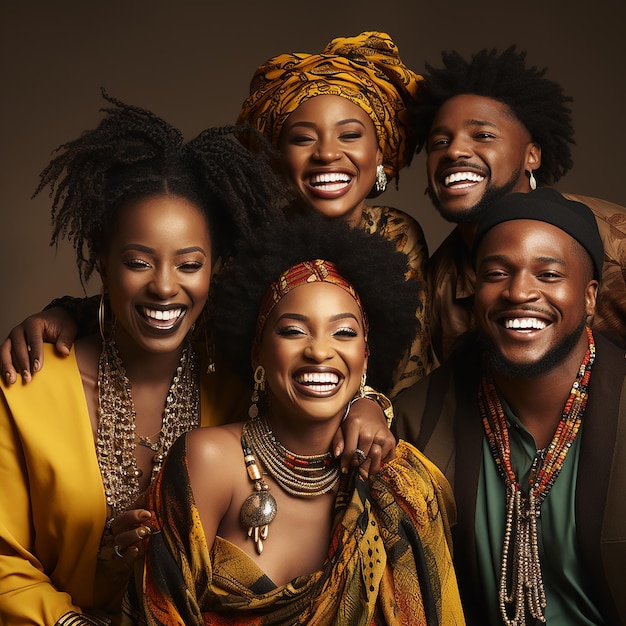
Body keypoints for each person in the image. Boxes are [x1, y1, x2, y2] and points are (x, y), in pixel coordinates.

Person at [0, 92, 310, 625]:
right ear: (102, 263)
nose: (165, 286)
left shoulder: (244, 388)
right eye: (139, 262)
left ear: (215, 268)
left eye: (189, 264)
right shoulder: (29, 386)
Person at [122, 213, 465, 625]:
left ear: (366, 356)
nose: (320, 351)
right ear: (257, 354)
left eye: (343, 333)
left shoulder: (401, 483)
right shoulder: (207, 460)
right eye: (293, 331)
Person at [394, 188, 626, 625]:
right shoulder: (414, 421)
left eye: (549, 274)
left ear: (590, 296)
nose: (519, 292)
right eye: (496, 273)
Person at [237, 30, 432, 392]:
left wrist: (372, 405)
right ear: (278, 160)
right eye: (303, 138)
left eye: (349, 135)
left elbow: (410, 376)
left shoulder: (397, 234)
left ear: (379, 155)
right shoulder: (249, 241)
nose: (326, 153)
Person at [409, 45, 626, 363]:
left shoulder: (616, 243)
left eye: (482, 135)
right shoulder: (435, 289)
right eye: (439, 143)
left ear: (531, 155)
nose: (454, 151)